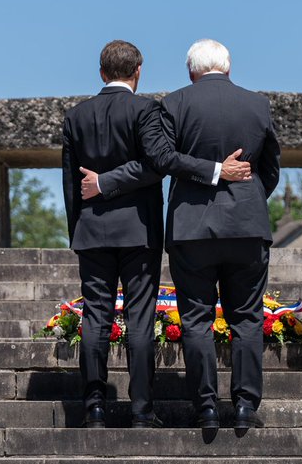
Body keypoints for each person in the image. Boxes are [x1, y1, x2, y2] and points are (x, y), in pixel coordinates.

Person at [62, 40, 249, 429]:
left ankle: (94, 406)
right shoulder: (147, 110)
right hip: (139, 230)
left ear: (101, 72)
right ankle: (141, 409)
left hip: (91, 231)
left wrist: (78, 226)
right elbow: (157, 164)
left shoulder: (75, 116)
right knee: (140, 318)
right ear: (138, 71)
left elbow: (70, 182)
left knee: (95, 316)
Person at [142, 39, 280, 431]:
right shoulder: (258, 104)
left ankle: (205, 407)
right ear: (229, 68)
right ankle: (245, 406)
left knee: (197, 320)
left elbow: (162, 158)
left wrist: (208, 172)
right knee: (248, 318)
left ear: (191, 71)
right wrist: (245, 194)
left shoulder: (174, 103)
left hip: (191, 227)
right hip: (247, 225)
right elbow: (271, 167)